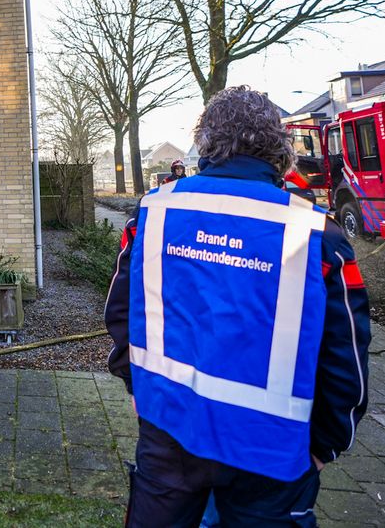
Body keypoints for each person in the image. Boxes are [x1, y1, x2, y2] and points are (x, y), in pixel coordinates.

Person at [104, 87, 370, 528]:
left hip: (169, 425)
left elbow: (121, 311)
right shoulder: (315, 233)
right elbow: (346, 353)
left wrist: (135, 385)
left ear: (204, 141)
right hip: (272, 445)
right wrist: (328, 442)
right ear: (279, 147)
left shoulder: (154, 214)